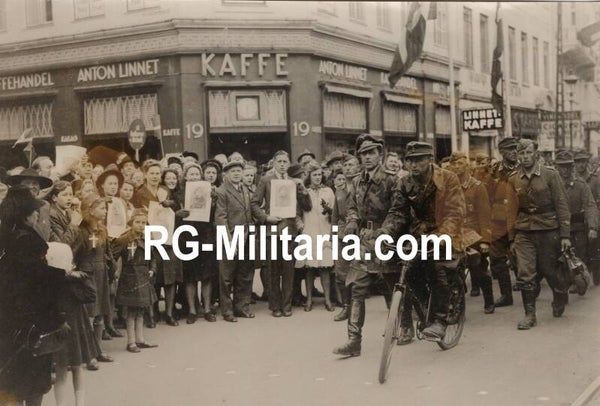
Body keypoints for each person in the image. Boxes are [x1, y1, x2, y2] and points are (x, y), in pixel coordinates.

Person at [377, 141, 465, 344]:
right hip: (421, 233)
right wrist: (385, 232)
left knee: (438, 267)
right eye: (409, 160)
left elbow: (456, 212)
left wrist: (442, 235)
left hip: (448, 232)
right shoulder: (405, 183)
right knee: (408, 268)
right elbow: (397, 213)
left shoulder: (448, 178)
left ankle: (440, 320)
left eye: (418, 160)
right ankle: (426, 305)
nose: (413, 165)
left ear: (430, 160)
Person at [332, 134, 405, 357]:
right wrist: (353, 221)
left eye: (371, 152)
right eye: (363, 154)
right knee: (357, 287)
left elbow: (398, 211)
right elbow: (352, 206)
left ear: (379, 154)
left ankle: (404, 326)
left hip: (388, 239)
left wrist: (385, 232)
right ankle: (354, 341)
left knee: (395, 286)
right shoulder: (357, 181)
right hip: (365, 241)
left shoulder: (393, 180)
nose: (367, 157)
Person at [0, 185, 70, 406]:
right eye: (34, 211)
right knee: (32, 384)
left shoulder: (5, 235)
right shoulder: (28, 241)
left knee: (9, 382)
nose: (37, 215)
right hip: (32, 321)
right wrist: (62, 273)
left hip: (7, 321)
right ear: (26, 214)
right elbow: (39, 283)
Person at [506, 139, 571, 330]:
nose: (525, 157)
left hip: (548, 229)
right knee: (525, 273)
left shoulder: (551, 175)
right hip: (524, 231)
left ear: (536, 154)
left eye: (528, 153)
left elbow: (562, 204)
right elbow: (510, 210)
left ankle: (559, 296)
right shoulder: (513, 178)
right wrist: (511, 238)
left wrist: (565, 235)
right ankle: (529, 314)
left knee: (550, 271)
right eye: (521, 154)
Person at [251, 150, 312, 317]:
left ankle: (286, 305)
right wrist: (266, 217)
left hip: (290, 231)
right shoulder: (265, 180)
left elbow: (307, 206)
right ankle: (275, 306)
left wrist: (303, 190)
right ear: (274, 163)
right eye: (280, 161)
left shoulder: (294, 182)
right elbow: (254, 203)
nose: (283, 164)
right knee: (272, 270)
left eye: (286, 161)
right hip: (272, 231)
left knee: (288, 271)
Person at [71, 194, 115, 369]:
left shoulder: (102, 229)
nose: (105, 211)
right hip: (87, 275)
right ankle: (88, 355)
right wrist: (76, 271)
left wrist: (111, 267)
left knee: (100, 313)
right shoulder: (81, 231)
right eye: (101, 208)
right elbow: (74, 253)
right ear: (90, 210)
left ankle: (98, 350)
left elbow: (107, 251)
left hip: (101, 272)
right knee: (89, 313)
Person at [448, 152, 495, 313]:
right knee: (451, 269)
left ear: (467, 166)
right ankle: (457, 306)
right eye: (454, 164)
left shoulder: (477, 186)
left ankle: (489, 300)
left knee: (478, 269)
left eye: (460, 164)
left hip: (473, 233)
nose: (456, 167)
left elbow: (485, 215)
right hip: (454, 233)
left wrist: (485, 240)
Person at [215, 161, 257, 322]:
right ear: (225, 174)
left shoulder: (245, 189)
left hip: (247, 236)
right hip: (231, 236)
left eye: (239, 171)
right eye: (233, 171)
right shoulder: (221, 191)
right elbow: (221, 218)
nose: (237, 174)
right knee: (226, 277)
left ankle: (242, 307)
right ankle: (227, 311)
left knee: (245, 274)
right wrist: (229, 240)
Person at [112, 209, 159, 353]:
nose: (140, 225)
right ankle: (131, 342)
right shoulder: (124, 239)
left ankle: (140, 339)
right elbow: (113, 256)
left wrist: (152, 269)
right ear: (131, 223)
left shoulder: (147, 238)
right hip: (130, 277)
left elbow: (154, 257)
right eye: (137, 222)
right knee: (131, 311)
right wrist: (115, 272)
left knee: (141, 310)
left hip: (144, 276)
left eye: (144, 223)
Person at [553, 150, 598, 293]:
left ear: (572, 167)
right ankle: (566, 282)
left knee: (579, 255)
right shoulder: (552, 184)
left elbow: (590, 205)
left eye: (568, 166)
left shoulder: (580, 185)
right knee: (558, 256)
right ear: (557, 167)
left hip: (577, 226)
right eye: (562, 166)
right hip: (558, 226)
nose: (565, 170)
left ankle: (579, 280)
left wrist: (593, 227)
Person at [295, 160, 336, 312]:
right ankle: (309, 300)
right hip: (309, 233)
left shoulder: (329, 191)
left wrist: (331, 214)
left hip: (324, 232)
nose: (318, 177)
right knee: (309, 269)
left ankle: (327, 300)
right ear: (309, 176)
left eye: (320, 174)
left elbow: (334, 213)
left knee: (325, 268)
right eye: (315, 175)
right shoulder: (304, 191)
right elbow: (297, 214)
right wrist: (301, 227)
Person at [487, 137, 520, 306]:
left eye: (516, 148)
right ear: (501, 152)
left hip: (520, 218)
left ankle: (530, 289)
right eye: (510, 149)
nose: (514, 152)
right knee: (496, 258)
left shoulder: (524, 168)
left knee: (522, 257)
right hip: (499, 219)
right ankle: (506, 295)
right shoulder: (493, 170)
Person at [157, 169, 184, 326]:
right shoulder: (159, 193)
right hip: (159, 238)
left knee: (171, 277)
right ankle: (153, 312)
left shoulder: (179, 195)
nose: (172, 181)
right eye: (168, 178)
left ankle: (169, 312)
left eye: (174, 178)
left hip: (174, 239)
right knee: (157, 277)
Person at [7, 168, 54, 242]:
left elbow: (45, 234)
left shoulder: (44, 206)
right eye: (27, 183)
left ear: (39, 189)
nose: (31, 186)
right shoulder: (13, 204)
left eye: (35, 183)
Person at [331, 169, 352, 321]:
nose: (349, 168)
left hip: (361, 232)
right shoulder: (339, 192)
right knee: (341, 272)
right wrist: (333, 235)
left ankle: (393, 307)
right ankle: (347, 307)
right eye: (347, 166)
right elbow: (335, 215)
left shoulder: (360, 187)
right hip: (342, 233)